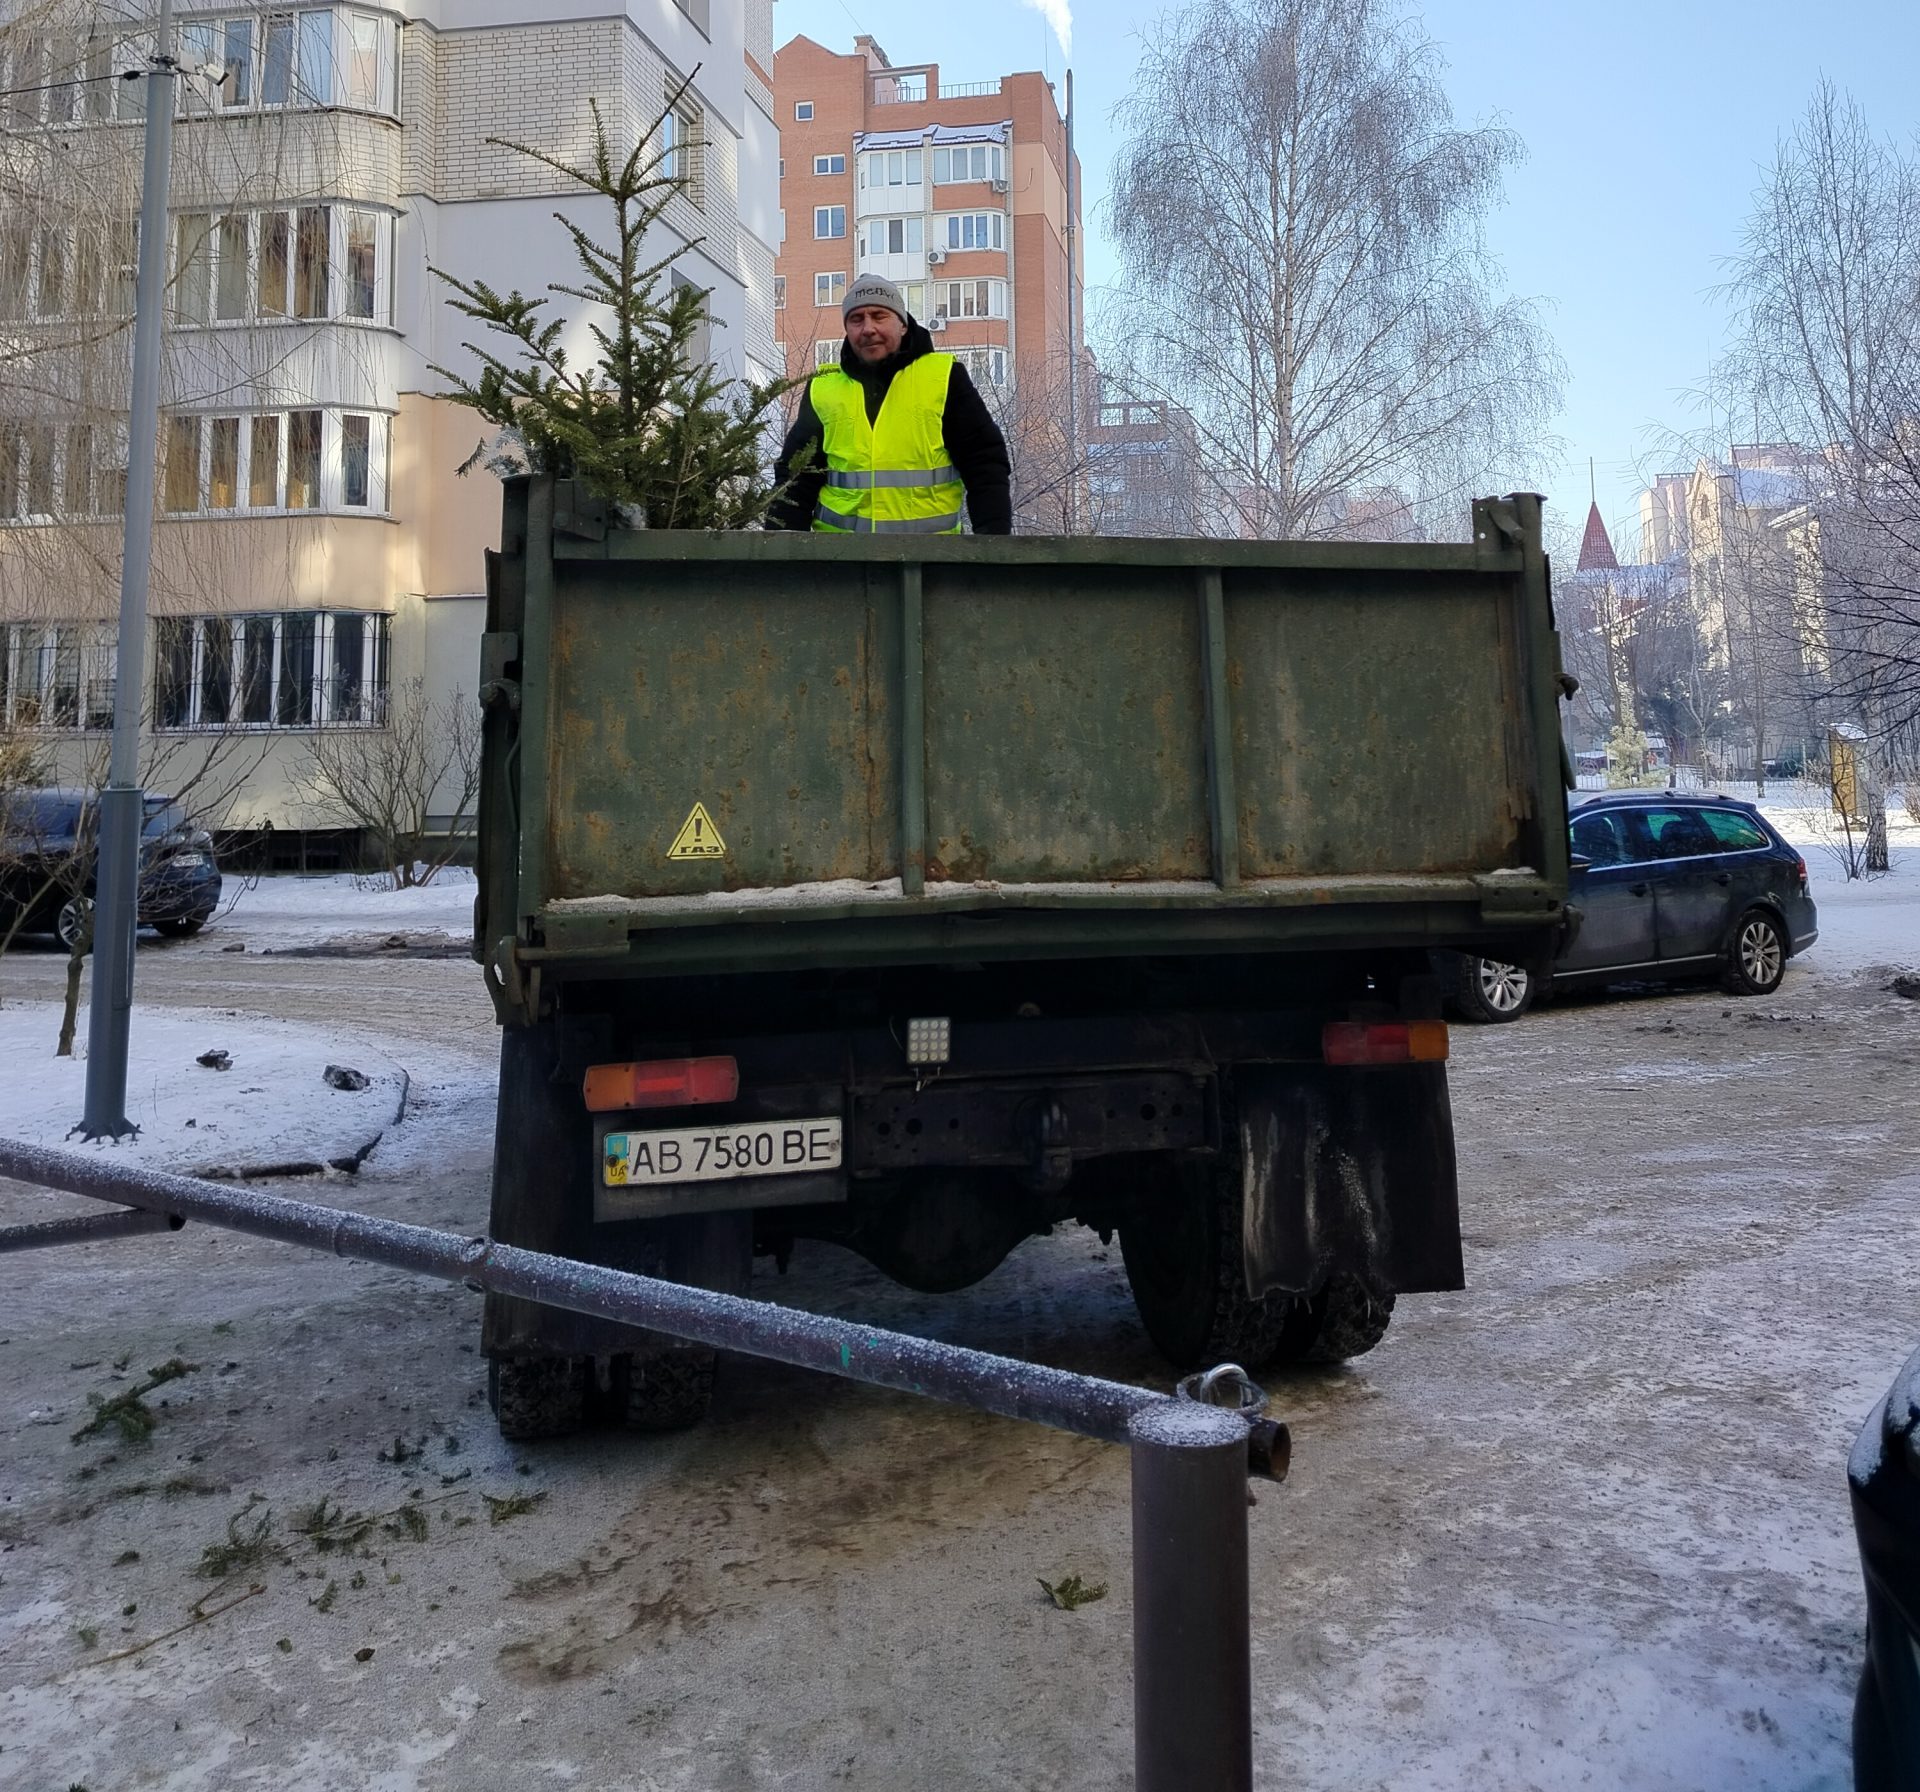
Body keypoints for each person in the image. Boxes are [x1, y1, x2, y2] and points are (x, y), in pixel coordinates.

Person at [769, 274, 1012, 535]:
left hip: (930, 563)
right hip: (841, 564)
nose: (868, 328)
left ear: (903, 324)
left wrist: (993, 554)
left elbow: (985, 465)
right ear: (847, 328)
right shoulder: (824, 387)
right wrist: (783, 557)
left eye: (879, 315)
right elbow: (794, 479)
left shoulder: (944, 378)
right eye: (856, 319)